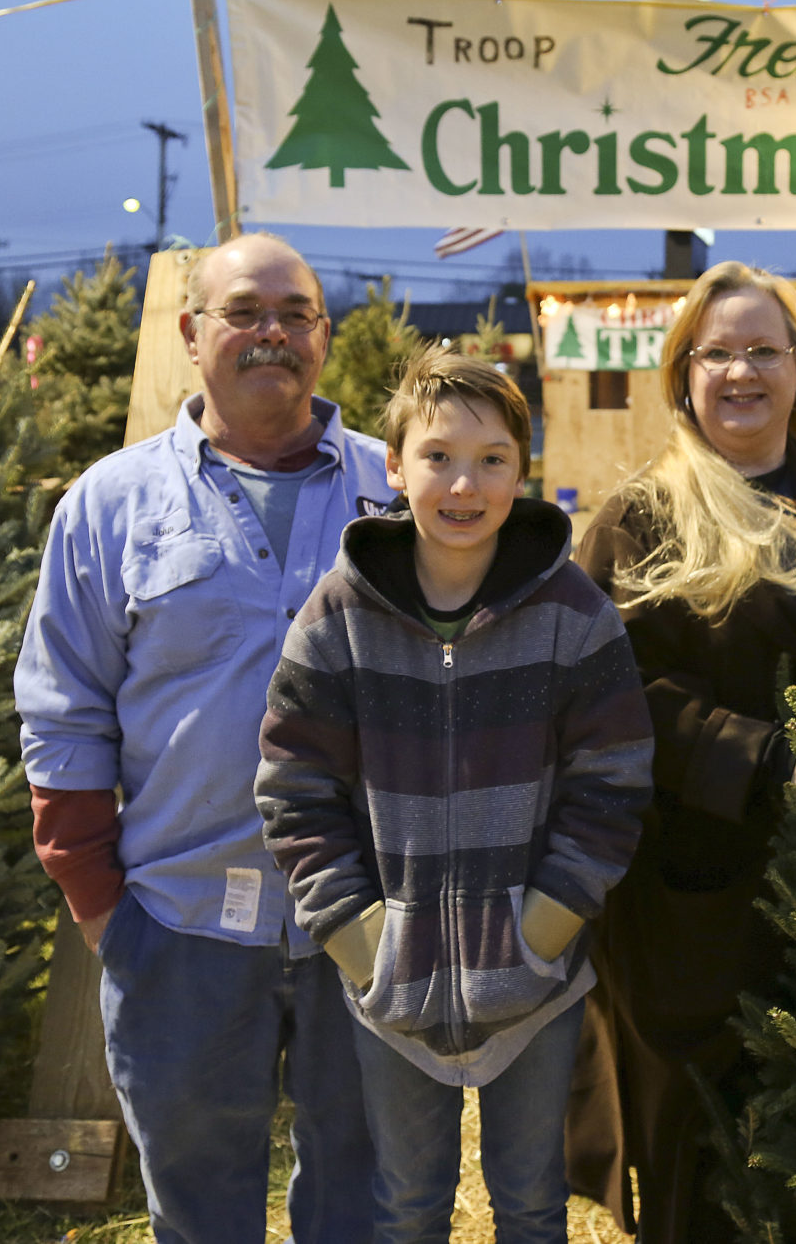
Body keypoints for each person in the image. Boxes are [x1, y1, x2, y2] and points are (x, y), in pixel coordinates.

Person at [16, 232, 393, 1244]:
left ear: (323, 335)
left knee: (367, 1202)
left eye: (295, 314)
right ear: (191, 332)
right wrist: (103, 907)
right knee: (197, 1210)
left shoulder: (399, 491)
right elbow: (63, 712)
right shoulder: (111, 504)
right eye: (244, 312)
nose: (272, 333)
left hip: (367, 921)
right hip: (178, 928)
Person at [255, 347, 653, 1244]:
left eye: (491, 459)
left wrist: (542, 927)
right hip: (391, 982)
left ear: (522, 469)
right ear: (395, 467)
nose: (464, 484)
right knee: (407, 1205)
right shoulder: (339, 614)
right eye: (437, 456)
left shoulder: (573, 613)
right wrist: (363, 939)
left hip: (538, 980)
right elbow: (293, 785)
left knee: (532, 1202)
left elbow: (613, 777)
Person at [564, 262, 796, 1242]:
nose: (742, 372)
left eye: (764, 351)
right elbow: (607, 690)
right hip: (687, 906)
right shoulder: (640, 517)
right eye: (719, 352)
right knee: (697, 1162)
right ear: (683, 373)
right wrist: (766, 759)